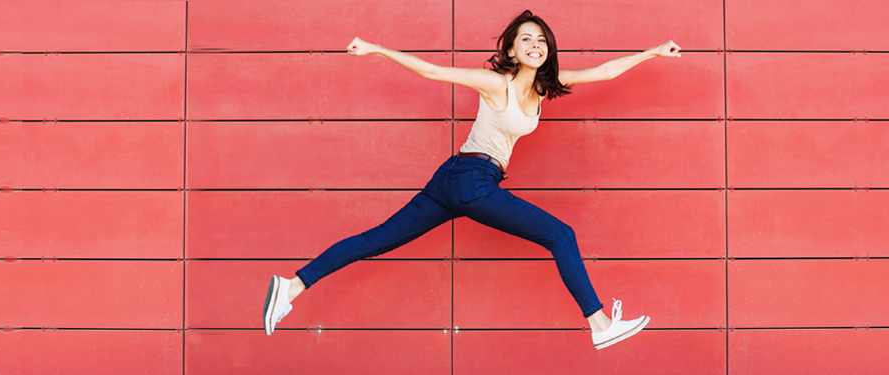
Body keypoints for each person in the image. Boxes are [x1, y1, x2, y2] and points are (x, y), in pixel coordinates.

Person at [261, 10, 681, 350]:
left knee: (378, 240)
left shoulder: (545, 87)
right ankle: (600, 323)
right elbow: (432, 72)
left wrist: (653, 53)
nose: (535, 45)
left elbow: (605, 72)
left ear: (547, 50)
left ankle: (291, 286)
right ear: (513, 52)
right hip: (471, 179)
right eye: (526, 40)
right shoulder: (496, 84)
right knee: (561, 235)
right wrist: (376, 49)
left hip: (455, 178)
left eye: (541, 40)